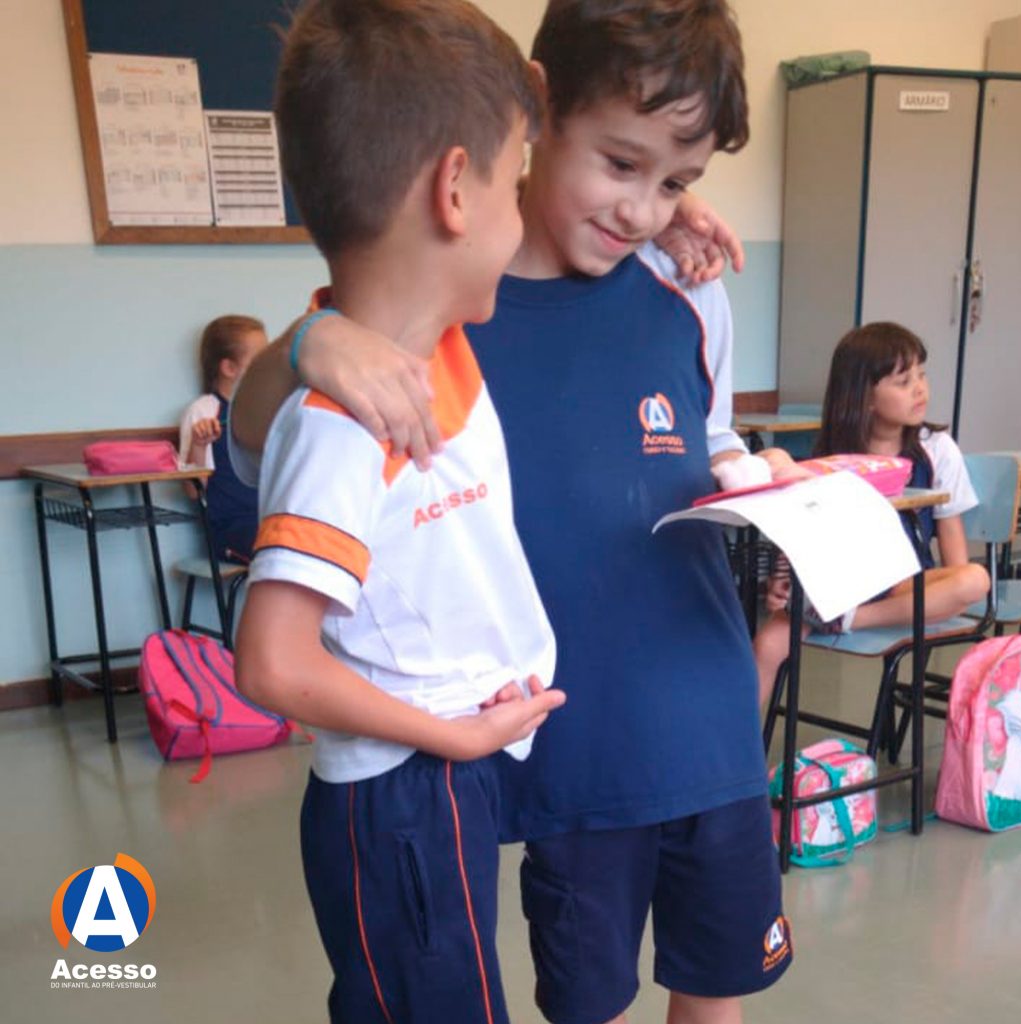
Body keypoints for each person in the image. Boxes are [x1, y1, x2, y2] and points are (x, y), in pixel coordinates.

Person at [233, 4, 794, 1024]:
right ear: (536, 107)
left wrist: (760, 481)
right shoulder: (441, 304)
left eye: (677, 182)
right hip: (556, 743)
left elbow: (702, 446)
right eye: (620, 163)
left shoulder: (682, 286)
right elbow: (254, 440)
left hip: (703, 715)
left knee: (718, 987)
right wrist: (312, 340)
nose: (644, 210)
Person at [232, 3, 565, 1023]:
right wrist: (448, 739)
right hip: (402, 788)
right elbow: (271, 664)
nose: (526, 219)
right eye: (517, 184)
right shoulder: (341, 423)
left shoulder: (439, 348)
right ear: (455, 189)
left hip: (438, 771)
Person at [753, 321, 990, 704]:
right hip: (839, 586)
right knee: (767, 645)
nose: (920, 389)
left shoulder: (937, 449)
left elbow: (955, 556)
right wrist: (783, 582)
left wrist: (948, 591)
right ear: (864, 397)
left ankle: (850, 620)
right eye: (903, 381)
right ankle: (742, 746)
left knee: (974, 579)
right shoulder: (830, 456)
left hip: (902, 586)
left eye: (922, 375)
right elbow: (805, 536)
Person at [178, 314, 266, 562]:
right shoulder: (203, 411)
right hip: (231, 530)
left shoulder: (265, 409)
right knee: (291, 554)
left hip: (272, 519)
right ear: (229, 368)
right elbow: (193, 492)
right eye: (260, 358)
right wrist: (199, 445)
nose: (267, 366)